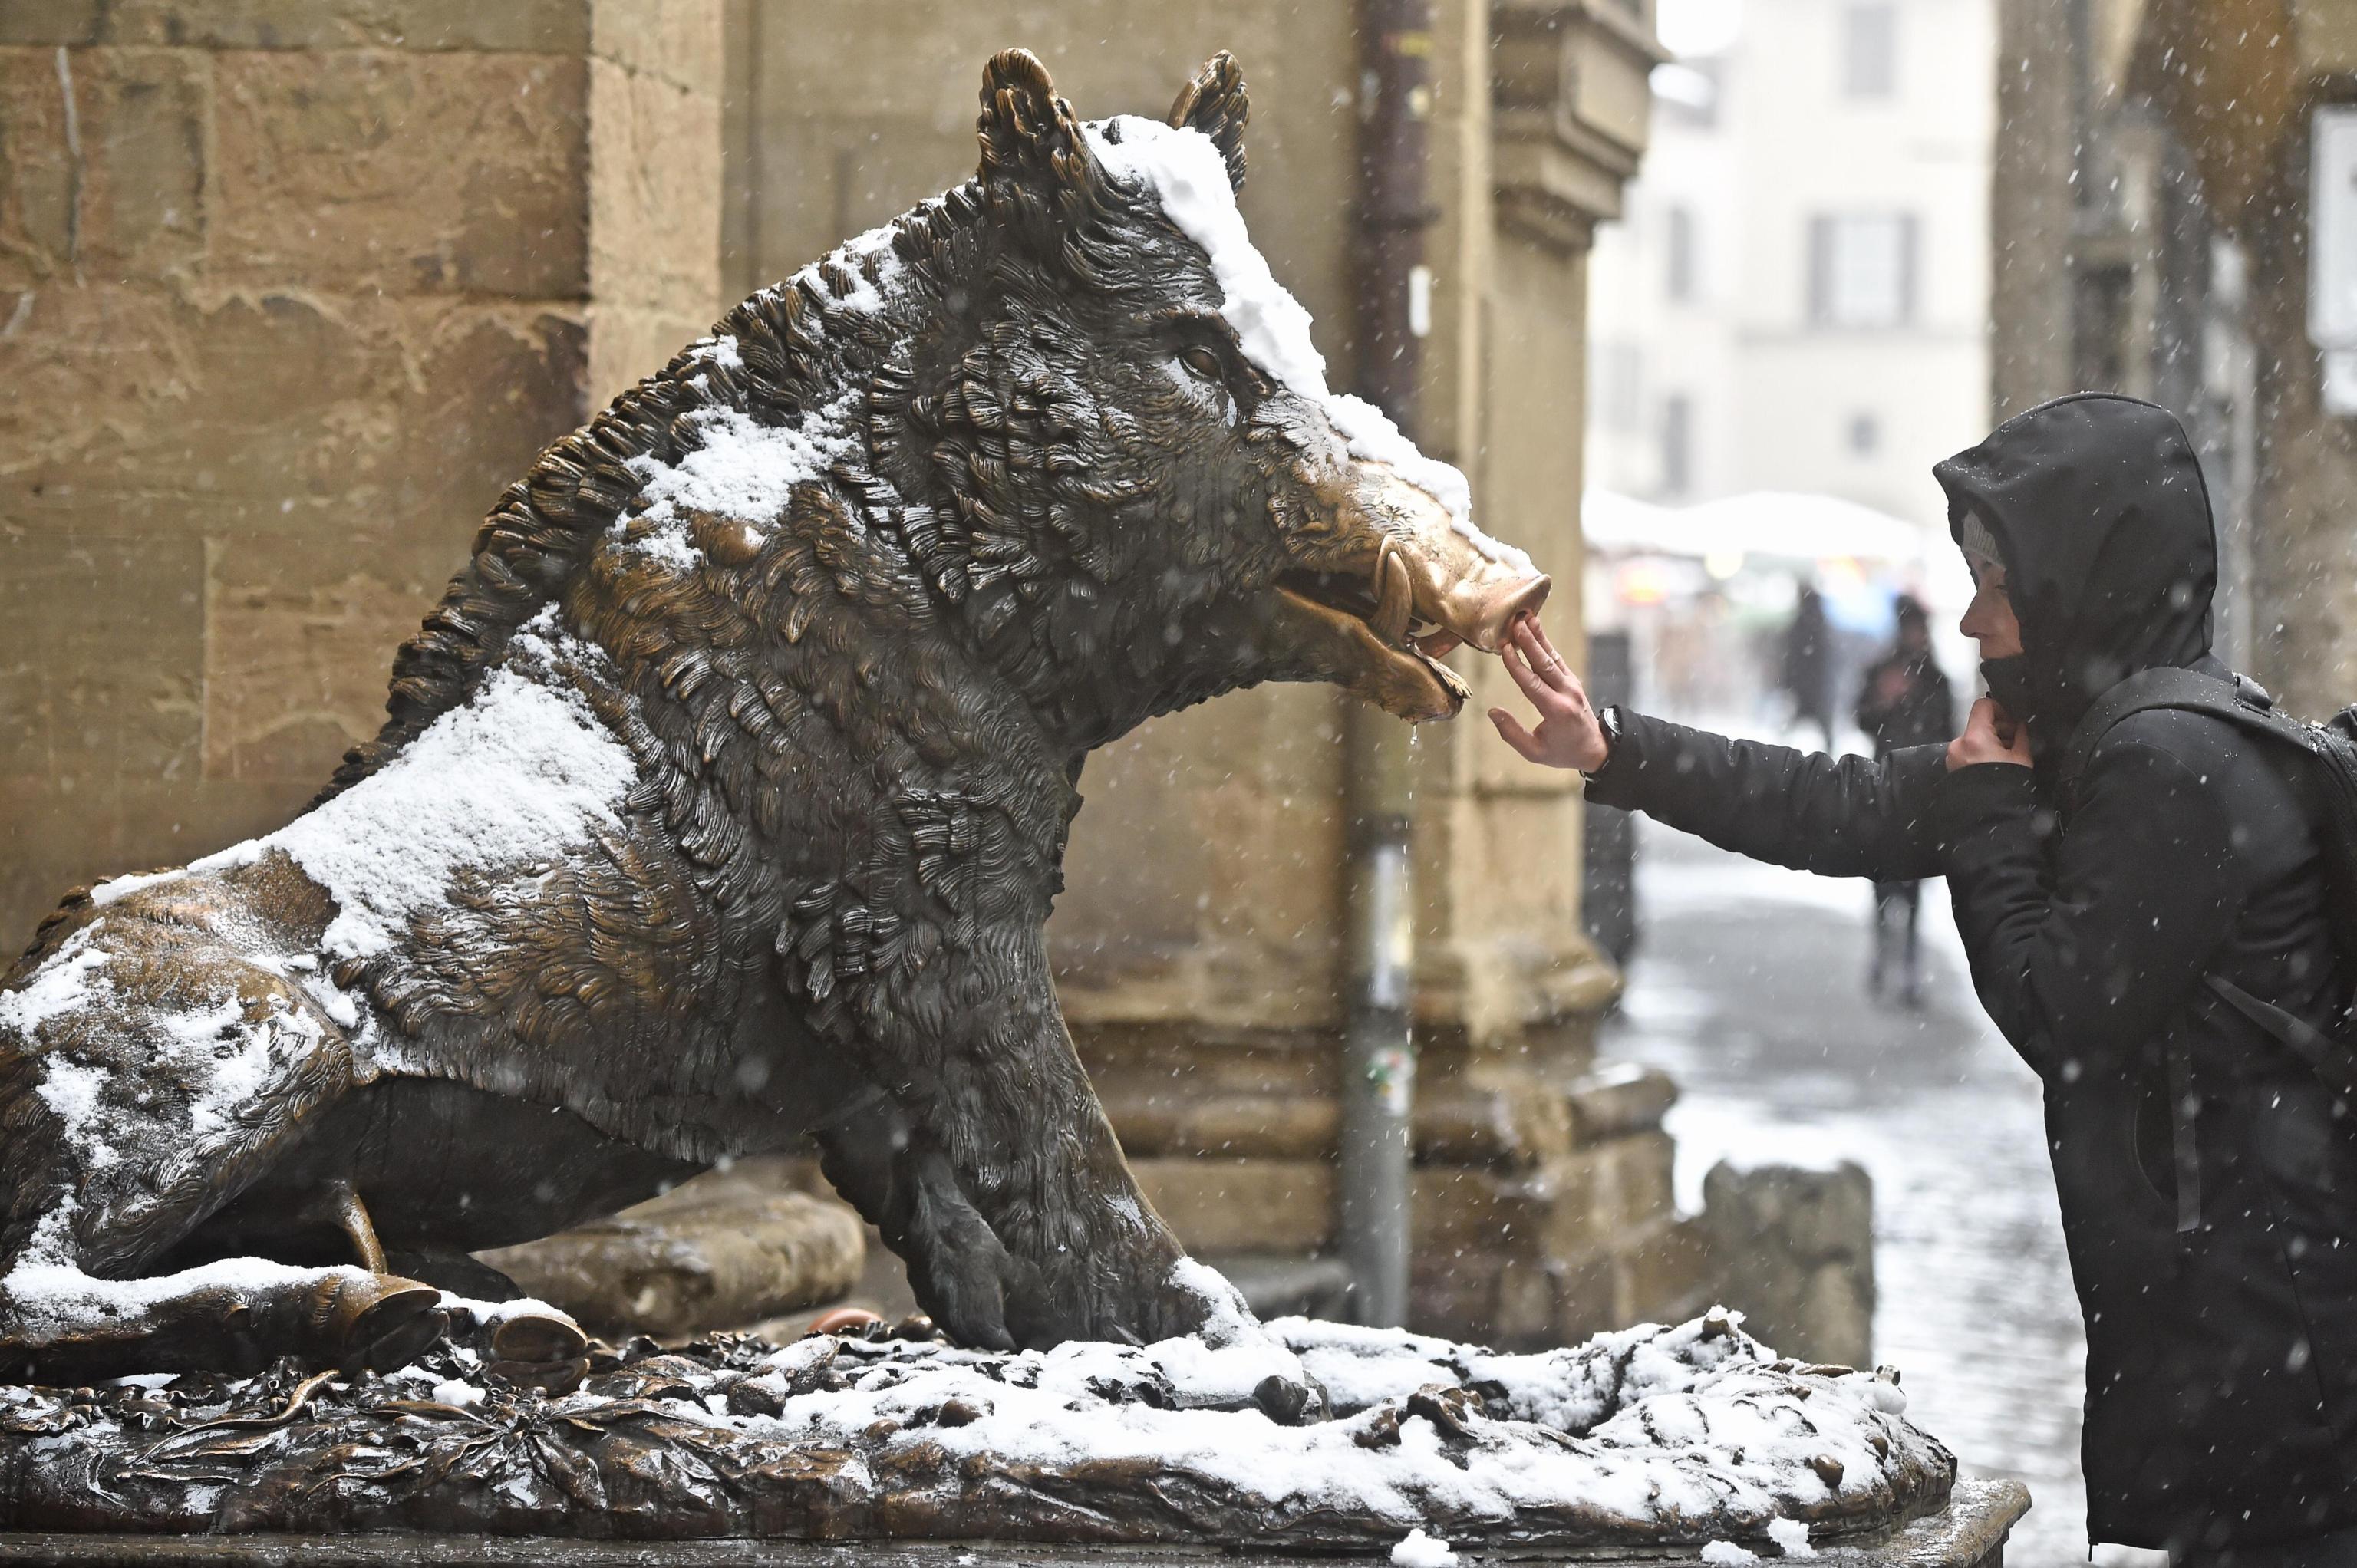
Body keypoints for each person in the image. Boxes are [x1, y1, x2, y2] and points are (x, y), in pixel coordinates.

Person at [1488, 393, 2357, 1566]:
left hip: (2264, 1331)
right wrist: (1616, 747)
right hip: (2235, 1314)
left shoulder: (2168, 760)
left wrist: (1989, 814)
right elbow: (1843, 805)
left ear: (2076, 583)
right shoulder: (2100, 732)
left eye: (1995, 585)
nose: (1970, 619)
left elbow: (2063, 1012)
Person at [1851, 595, 1955, 1006]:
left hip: (1921, 794)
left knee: (1913, 888)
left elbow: (1948, 732)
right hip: (1885, 787)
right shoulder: (1883, 671)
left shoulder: (1937, 679)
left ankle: (1909, 968)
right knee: (1881, 881)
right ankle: (1882, 958)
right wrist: (1884, 700)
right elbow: (1861, 719)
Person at [1779, 581, 1835, 751]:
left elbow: (1793, 655)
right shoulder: (1820, 621)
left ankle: (1782, 753)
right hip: (1816, 683)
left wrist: (1788, 680)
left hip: (1805, 682)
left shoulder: (1803, 621)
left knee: (1800, 720)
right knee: (1821, 723)